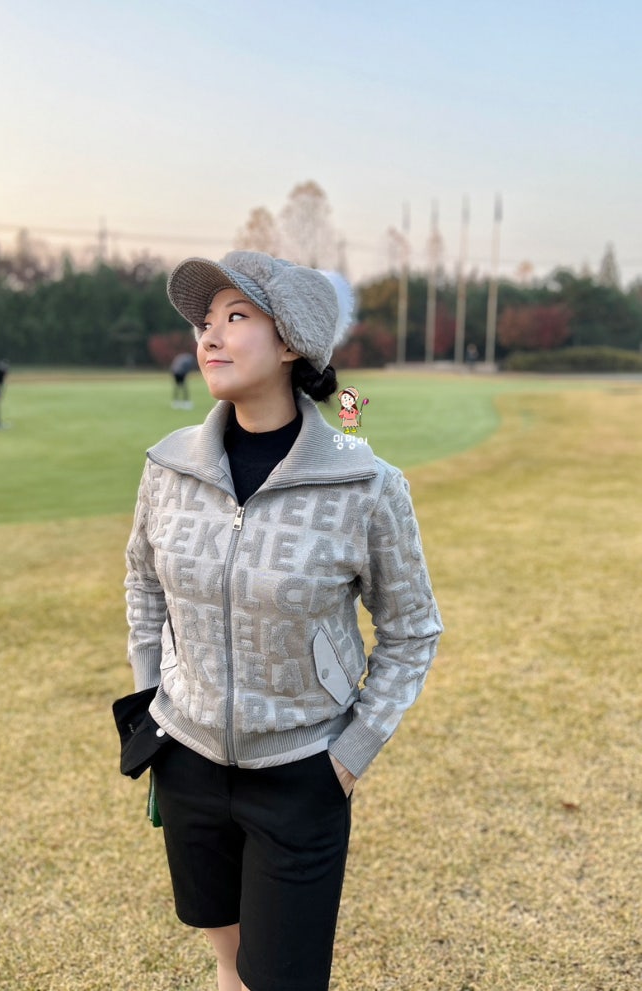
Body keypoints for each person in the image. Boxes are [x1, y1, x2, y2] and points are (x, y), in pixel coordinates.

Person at [123, 251, 443, 991]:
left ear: (293, 341)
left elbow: (411, 631)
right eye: (205, 321)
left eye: (236, 316)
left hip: (303, 772)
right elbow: (142, 583)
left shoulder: (366, 485)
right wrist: (150, 703)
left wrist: (351, 752)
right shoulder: (168, 467)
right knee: (227, 960)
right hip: (186, 757)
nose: (209, 335)